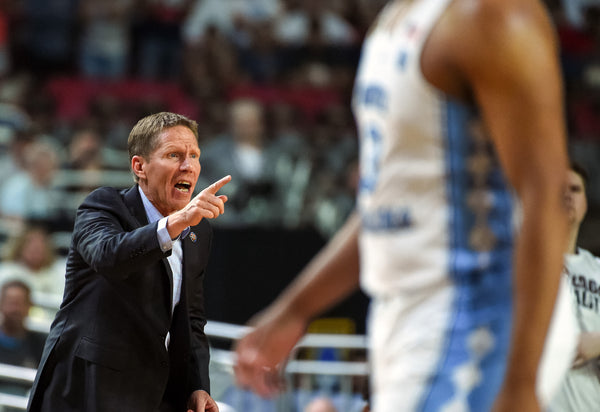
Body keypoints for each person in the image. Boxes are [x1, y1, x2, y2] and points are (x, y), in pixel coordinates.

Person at [234, 1, 570, 412]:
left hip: (476, 318)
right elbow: (388, 204)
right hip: (409, 316)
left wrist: (520, 384)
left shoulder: (489, 14)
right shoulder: (396, 18)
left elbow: (548, 195)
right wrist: (295, 309)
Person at [27, 112, 231, 412]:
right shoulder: (103, 206)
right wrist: (177, 222)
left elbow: (191, 317)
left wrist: (197, 384)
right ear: (140, 166)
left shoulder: (198, 229)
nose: (188, 166)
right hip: (86, 390)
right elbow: (109, 256)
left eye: (194, 155)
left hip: (152, 393)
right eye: (174, 155)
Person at [549, 162, 600, 410]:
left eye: (576, 189)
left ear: (585, 204)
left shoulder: (598, 270)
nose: (568, 196)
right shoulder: (523, 267)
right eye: (560, 190)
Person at [0, 280, 47, 368]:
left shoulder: (41, 345)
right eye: (11, 303)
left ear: (29, 306)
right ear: (1, 304)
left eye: (20, 304)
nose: (15, 309)